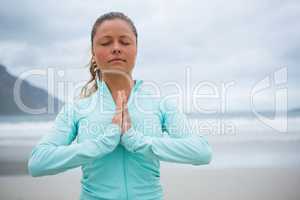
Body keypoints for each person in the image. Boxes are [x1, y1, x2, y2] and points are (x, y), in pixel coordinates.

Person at [27, 11, 212, 200]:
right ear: (93, 51)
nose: (116, 48)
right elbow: (38, 163)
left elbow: (201, 152)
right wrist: (103, 144)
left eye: (124, 42)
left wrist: (137, 142)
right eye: (106, 42)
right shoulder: (76, 110)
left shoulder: (161, 105)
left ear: (136, 48)